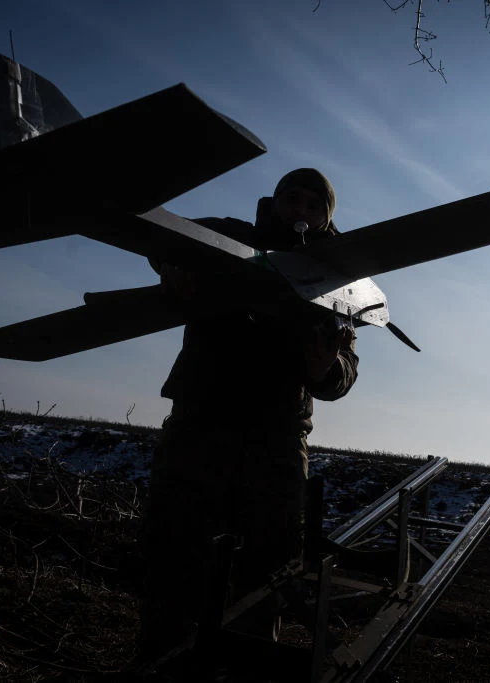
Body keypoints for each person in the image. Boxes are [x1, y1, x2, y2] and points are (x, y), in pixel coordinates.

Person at [137, 169, 359, 663]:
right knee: (175, 554)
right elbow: (159, 236)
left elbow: (346, 368)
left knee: (268, 570)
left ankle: (249, 669)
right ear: (275, 202)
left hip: (277, 438)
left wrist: (326, 369)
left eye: (313, 206)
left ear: (326, 219)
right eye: (292, 200)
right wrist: (172, 260)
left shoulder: (334, 277)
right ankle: (162, 664)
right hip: (201, 421)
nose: (300, 211)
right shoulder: (233, 235)